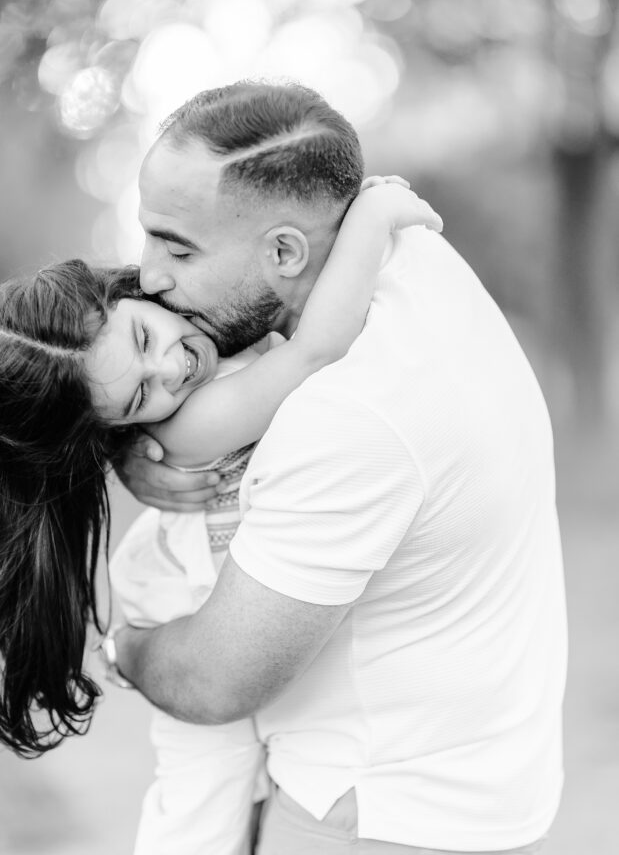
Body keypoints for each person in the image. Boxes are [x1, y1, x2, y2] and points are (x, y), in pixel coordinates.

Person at [112, 81, 568, 855]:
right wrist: (135, 447)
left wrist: (124, 648)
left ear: (286, 251)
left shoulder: (351, 414)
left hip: (372, 814)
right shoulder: (412, 259)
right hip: (477, 783)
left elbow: (212, 683)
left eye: (177, 247)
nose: (149, 274)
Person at [0, 176, 438, 853]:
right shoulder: (199, 418)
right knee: (199, 807)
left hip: (202, 579)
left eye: (147, 339)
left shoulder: (197, 338)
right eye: (141, 396)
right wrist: (375, 214)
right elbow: (318, 348)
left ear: (129, 296)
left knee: (217, 790)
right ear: (116, 428)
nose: (172, 372)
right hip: (184, 595)